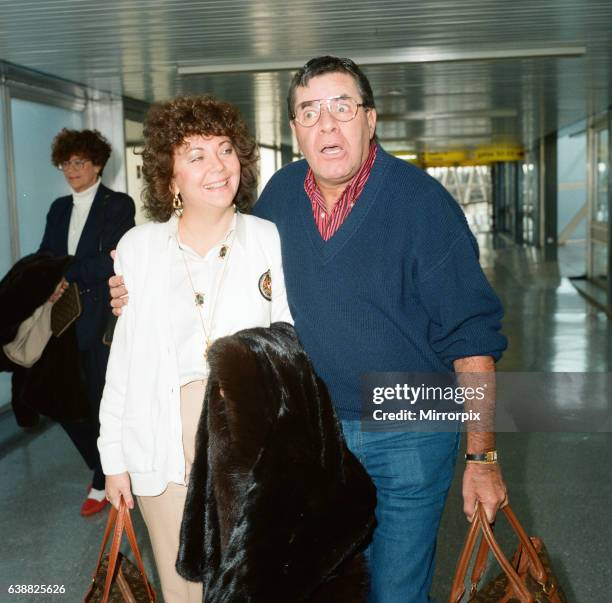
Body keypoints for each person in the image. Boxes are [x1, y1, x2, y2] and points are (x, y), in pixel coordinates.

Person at [110, 57, 508, 602]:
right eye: (310, 111)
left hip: (410, 424)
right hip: (319, 432)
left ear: (371, 119)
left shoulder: (423, 205)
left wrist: (482, 458)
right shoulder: (280, 198)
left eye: (342, 108)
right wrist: (135, 288)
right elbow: (226, 266)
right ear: (294, 129)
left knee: (396, 589)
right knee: (324, 588)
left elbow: (474, 340)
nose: (327, 125)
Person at [98, 95, 292, 603]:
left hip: (245, 443)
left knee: (249, 584)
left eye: (225, 149)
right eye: (196, 155)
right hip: (161, 443)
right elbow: (123, 362)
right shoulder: (140, 248)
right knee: (181, 588)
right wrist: (112, 458)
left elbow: (290, 340)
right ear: (169, 179)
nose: (218, 166)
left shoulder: (266, 238)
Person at [39, 128, 135, 516]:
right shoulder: (59, 207)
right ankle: (99, 466)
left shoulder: (117, 204)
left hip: (98, 319)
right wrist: (46, 279)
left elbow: (116, 256)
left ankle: (102, 478)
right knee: (59, 399)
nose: (71, 170)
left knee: (99, 399)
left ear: (97, 164)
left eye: (79, 162)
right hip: (62, 320)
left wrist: (69, 273)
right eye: (66, 163)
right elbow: (47, 254)